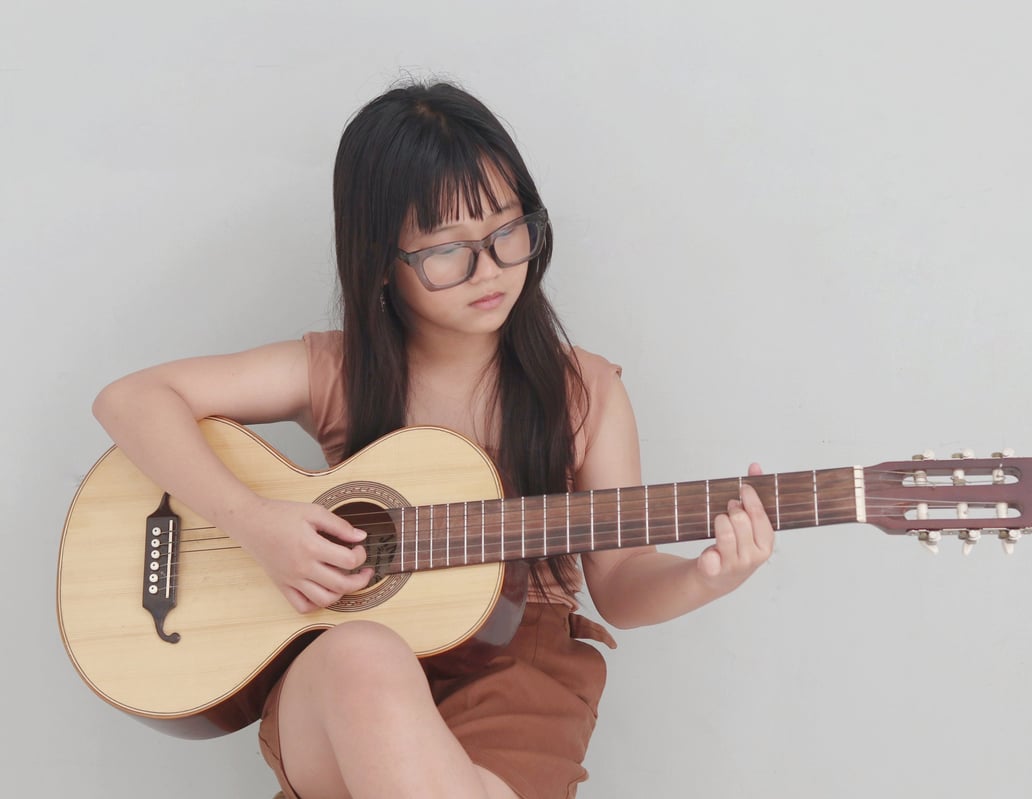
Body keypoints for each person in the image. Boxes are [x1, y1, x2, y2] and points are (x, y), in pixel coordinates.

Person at [92, 80, 775, 799]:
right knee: (361, 651)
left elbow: (622, 586)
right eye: (448, 249)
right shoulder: (337, 370)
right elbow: (130, 399)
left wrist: (705, 576)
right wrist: (255, 522)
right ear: (382, 260)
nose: (491, 270)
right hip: (348, 687)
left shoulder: (587, 390)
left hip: (519, 668)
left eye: (508, 230)